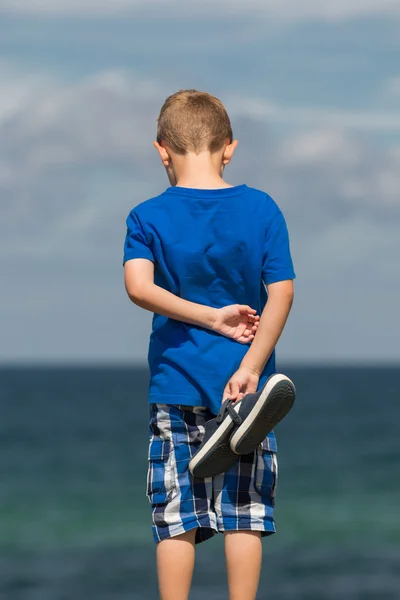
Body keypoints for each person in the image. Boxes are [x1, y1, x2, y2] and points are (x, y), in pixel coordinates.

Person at [123, 89, 295, 600]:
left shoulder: (145, 216)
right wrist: (250, 365)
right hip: (248, 394)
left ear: (161, 149)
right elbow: (282, 293)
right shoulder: (262, 208)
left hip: (176, 385)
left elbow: (139, 288)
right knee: (245, 513)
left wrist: (209, 319)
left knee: (177, 517)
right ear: (230, 148)